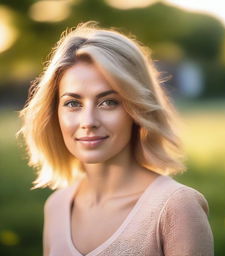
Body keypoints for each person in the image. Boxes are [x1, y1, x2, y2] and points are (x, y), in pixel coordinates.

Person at [18, 21, 214, 256]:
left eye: (109, 102)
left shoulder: (176, 206)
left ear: (137, 109)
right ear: (54, 112)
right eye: (73, 103)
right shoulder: (57, 207)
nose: (88, 121)